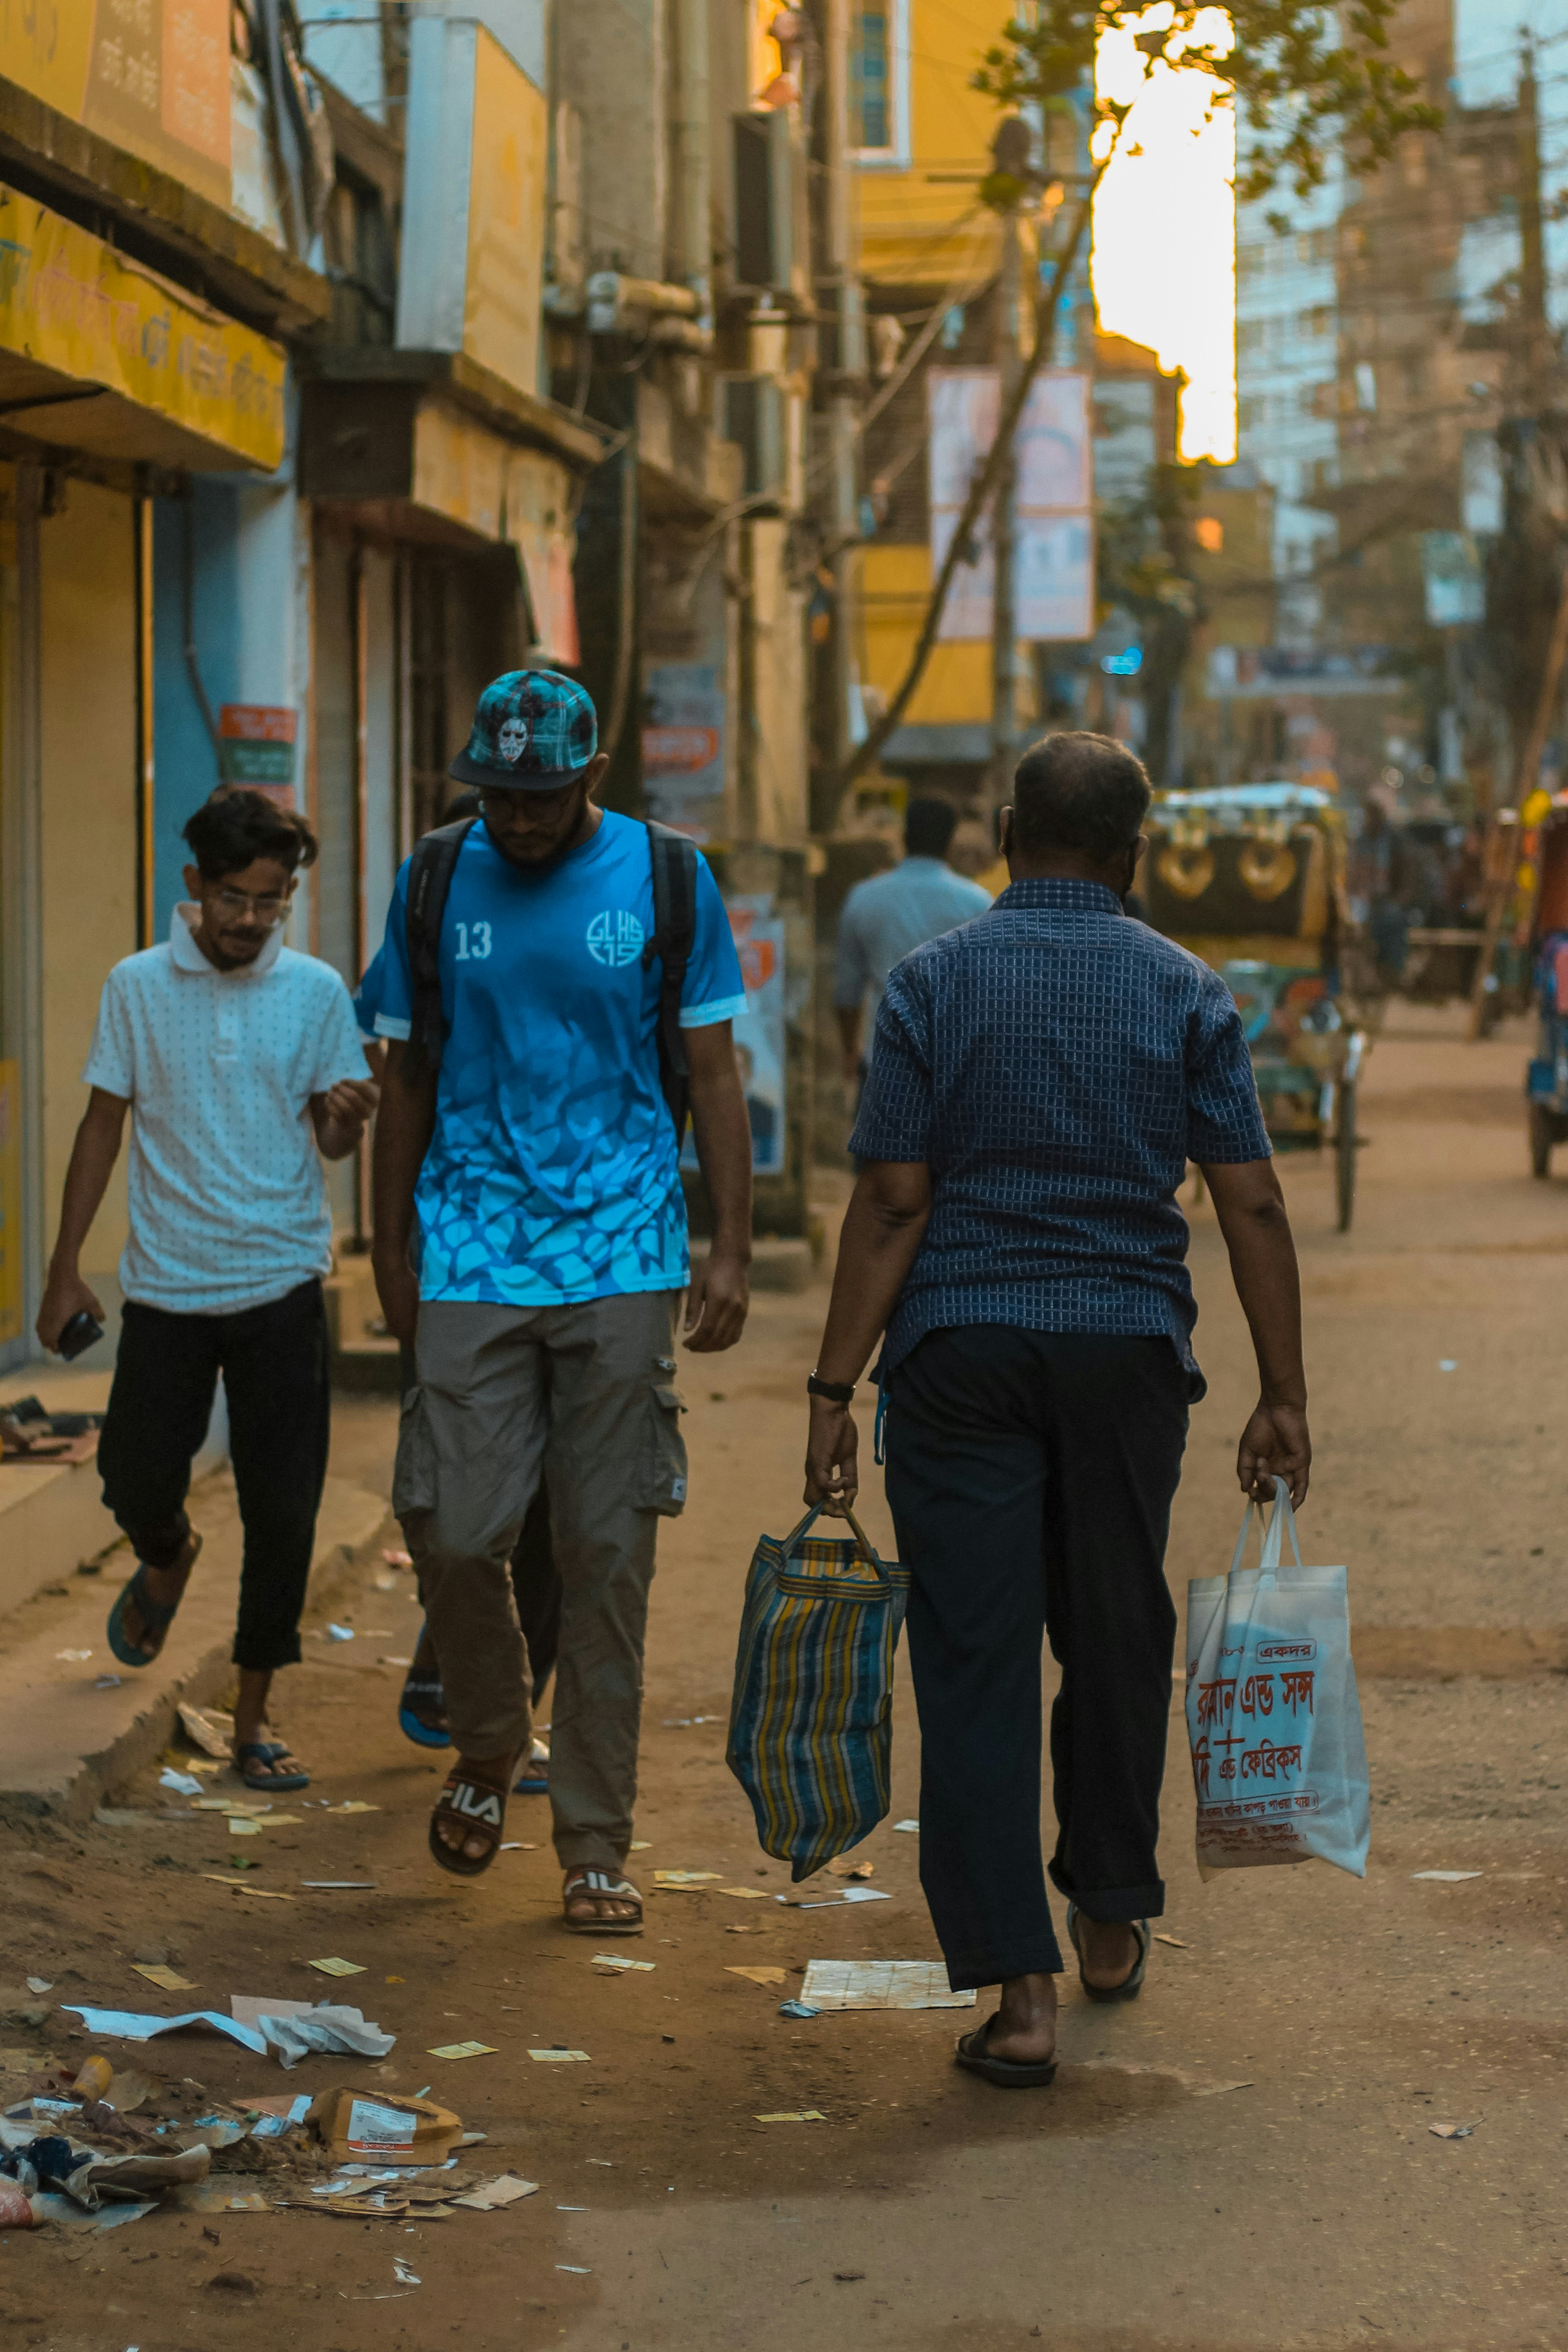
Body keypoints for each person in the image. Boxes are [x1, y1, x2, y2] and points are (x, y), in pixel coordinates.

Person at [802, 731, 1309, 2087]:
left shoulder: (927, 983)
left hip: (959, 1351)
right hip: (1124, 1355)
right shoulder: (1186, 989)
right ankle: (1105, 1915)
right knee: (1114, 1626)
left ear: (1006, 833)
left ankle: (1016, 1995)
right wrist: (1283, 1393)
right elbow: (1248, 1196)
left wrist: (831, 1384)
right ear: (1134, 852)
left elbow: (894, 1199)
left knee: (972, 1657)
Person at [370, 668, 754, 1926]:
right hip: (471, 1248)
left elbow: (710, 1072)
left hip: (624, 1252)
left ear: (589, 780)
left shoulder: (664, 879)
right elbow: (408, 1077)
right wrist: (390, 1249)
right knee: (453, 1523)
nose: (518, 819)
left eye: (539, 798)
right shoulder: (434, 876)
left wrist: (728, 1244)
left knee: (603, 1554)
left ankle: (594, 1842)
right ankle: (489, 1738)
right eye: (499, 796)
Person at [37, 788, 378, 1791]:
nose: (248, 920)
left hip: (279, 1283)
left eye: (270, 901)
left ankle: (254, 1715)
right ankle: (167, 1549)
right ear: (193, 886)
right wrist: (64, 1268)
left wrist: (351, 1120)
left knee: (285, 1512)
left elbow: (330, 1133)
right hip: (166, 1288)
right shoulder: (136, 987)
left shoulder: (316, 992)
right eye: (233, 897)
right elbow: (103, 1125)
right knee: (133, 1477)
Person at [354, 787, 560, 1782]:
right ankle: (456, 1654)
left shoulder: (588, 933)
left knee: (555, 1513)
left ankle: (505, 1722)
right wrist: (391, 1249)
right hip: (459, 1267)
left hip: (584, 1268)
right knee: (444, 1501)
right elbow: (396, 1078)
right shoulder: (428, 922)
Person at [833, 798, 992, 1093]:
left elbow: (847, 996)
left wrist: (849, 1053)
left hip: (884, 1062)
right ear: (950, 842)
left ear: (904, 837)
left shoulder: (863, 898)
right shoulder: (978, 904)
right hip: (956, 1066)